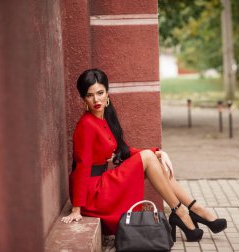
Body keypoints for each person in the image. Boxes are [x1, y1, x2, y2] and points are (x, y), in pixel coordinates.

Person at [61, 69, 227, 242]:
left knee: (154, 159)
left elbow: (122, 151)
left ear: (107, 92)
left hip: (101, 183)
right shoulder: (86, 125)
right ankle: (182, 211)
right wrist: (76, 209)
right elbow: (81, 167)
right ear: (83, 98)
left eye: (100, 93)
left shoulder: (105, 117)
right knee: (148, 157)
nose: (96, 100)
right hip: (92, 193)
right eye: (90, 95)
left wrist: (158, 152)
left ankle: (195, 209)